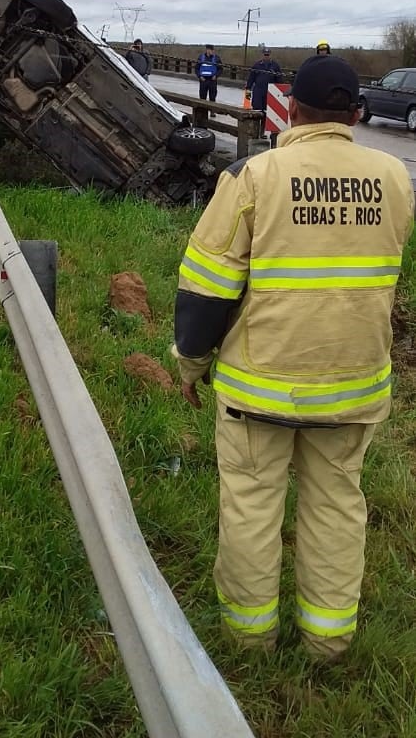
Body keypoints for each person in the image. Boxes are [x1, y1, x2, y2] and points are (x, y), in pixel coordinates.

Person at [172, 55, 414, 660]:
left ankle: (251, 643)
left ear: (293, 110)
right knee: (337, 507)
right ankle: (328, 646)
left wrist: (191, 365)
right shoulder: (394, 177)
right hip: (354, 386)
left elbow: (205, 287)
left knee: (252, 506)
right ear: (356, 113)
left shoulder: (254, 177)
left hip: (261, 389)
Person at [245, 47, 282, 118]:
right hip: (258, 90)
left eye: (267, 55)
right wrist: (248, 90)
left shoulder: (275, 66)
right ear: (262, 55)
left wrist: (280, 93)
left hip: (270, 92)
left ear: (270, 55)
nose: (266, 56)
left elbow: (279, 79)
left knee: (268, 111)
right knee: (257, 109)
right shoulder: (257, 65)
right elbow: (251, 78)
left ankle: (265, 127)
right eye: (265, 55)